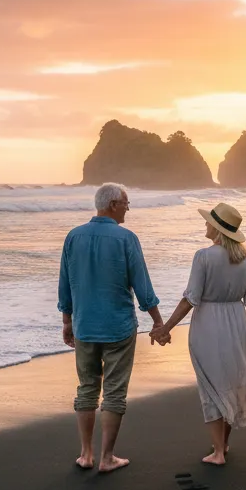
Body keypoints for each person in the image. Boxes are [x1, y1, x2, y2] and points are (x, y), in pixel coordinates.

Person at [151, 202, 246, 465]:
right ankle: (223, 444)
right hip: (237, 324)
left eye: (208, 222)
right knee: (231, 384)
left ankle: (217, 452)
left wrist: (165, 328)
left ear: (217, 228)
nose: (205, 224)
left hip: (208, 325)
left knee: (210, 385)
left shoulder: (203, 257)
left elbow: (190, 299)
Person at [58, 181, 165, 473]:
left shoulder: (73, 237)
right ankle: (107, 457)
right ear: (114, 204)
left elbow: (65, 283)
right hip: (117, 326)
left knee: (87, 388)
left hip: (84, 326)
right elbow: (141, 284)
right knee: (115, 391)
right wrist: (157, 320)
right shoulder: (126, 238)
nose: (128, 209)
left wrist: (67, 321)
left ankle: (85, 455)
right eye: (126, 203)